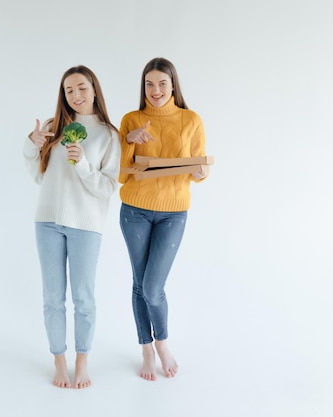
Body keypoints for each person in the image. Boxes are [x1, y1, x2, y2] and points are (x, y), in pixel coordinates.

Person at [23, 65, 120, 389]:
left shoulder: (108, 134)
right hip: (48, 221)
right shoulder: (55, 127)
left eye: (81, 88)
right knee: (52, 297)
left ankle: (82, 361)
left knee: (84, 298)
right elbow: (38, 174)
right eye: (69, 91)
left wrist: (83, 164)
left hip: (85, 225)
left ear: (94, 89)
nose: (76, 96)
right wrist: (32, 144)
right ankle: (59, 361)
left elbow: (107, 187)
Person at [118, 57, 209, 381]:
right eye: (149, 84)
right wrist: (129, 142)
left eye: (162, 84)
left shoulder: (190, 119)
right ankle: (145, 348)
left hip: (173, 211)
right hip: (135, 210)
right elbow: (119, 173)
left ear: (173, 86)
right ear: (143, 87)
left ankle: (162, 343)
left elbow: (199, 170)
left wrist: (200, 172)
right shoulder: (131, 119)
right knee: (139, 282)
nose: (155, 90)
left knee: (152, 287)